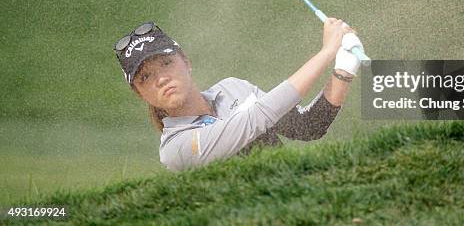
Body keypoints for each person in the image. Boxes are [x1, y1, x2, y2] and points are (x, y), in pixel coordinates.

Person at [114, 19, 365, 171]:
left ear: (186, 62)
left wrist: (344, 69)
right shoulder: (176, 149)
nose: (161, 79)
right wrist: (328, 50)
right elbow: (256, 118)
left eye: (166, 63)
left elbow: (307, 127)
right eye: (145, 77)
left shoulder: (232, 88)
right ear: (140, 93)